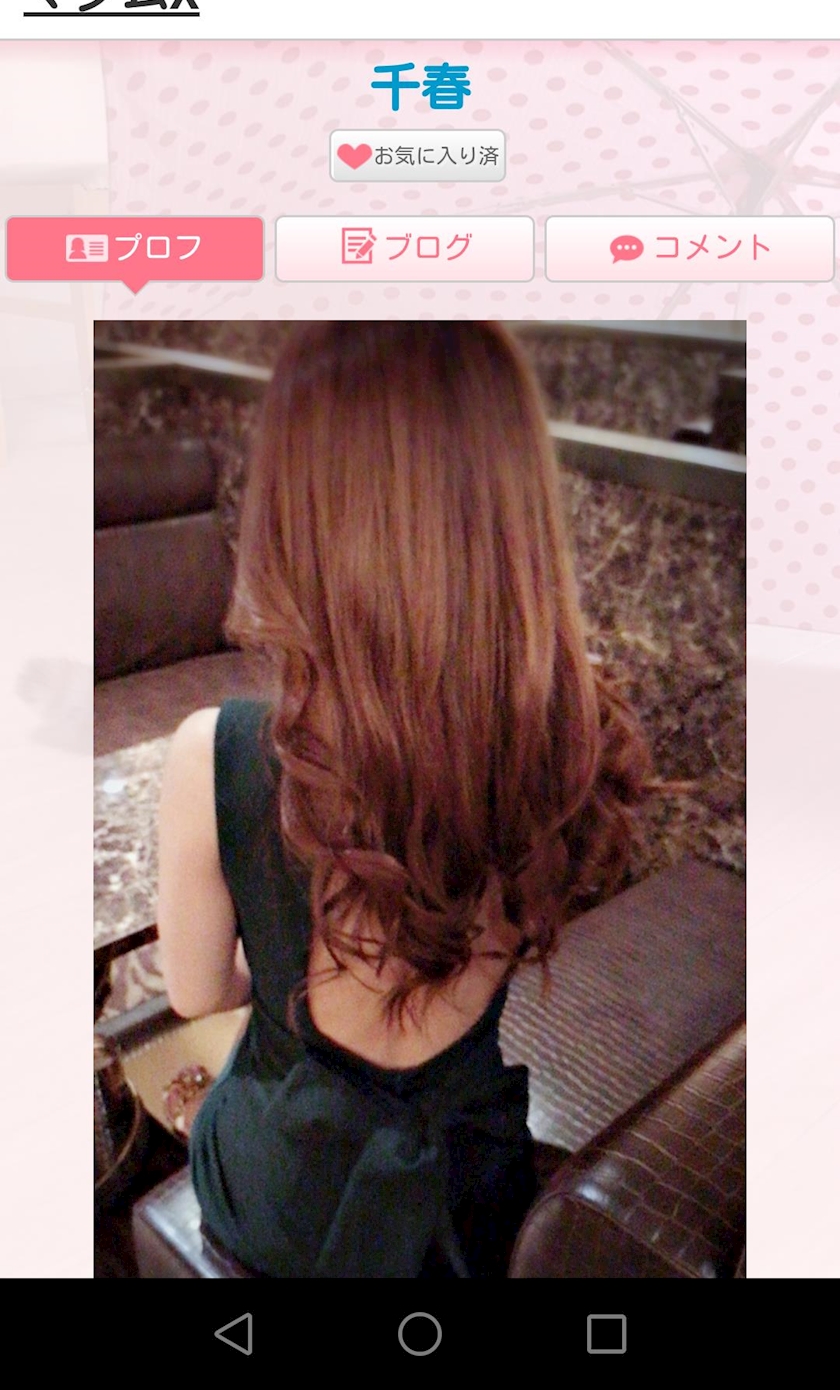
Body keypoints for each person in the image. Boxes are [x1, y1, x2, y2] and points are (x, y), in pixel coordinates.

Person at [157, 321, 651, 1278]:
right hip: (470, 1183)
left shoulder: (212, 754)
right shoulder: (567, 735)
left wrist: (278, 943)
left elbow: (194, 993)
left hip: (285, 1195)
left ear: (297, 510)